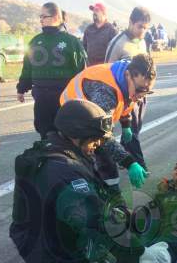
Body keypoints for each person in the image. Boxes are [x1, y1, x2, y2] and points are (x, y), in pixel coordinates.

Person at [8, 99, 116, 263]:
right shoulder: (66, 171)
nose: (97, 144)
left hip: (27, 234)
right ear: (77, 135)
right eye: (94, 139)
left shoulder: (47, 149)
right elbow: (92, 221)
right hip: (47, 247)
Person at [59, 54, 155, 191]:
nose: (141, 97)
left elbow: (125, 104)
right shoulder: (105, 92)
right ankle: (108, 192)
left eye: (147, 91)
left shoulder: (127, 78)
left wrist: (126, 125)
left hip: (92, 111)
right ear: (128, 75)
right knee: (98, 155)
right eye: (140, 90)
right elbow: (102, 135)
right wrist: (129, 162)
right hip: (73, 117)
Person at [16, 2, 87, 141]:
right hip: (42, 97)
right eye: (40, 16)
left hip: (64, 97)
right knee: (47, 135)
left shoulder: (72, 42)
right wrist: (21, 88)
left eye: (43, 16)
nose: (40, 20)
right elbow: (28, 68)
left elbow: (82, 72)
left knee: (64, 134)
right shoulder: (36, 41)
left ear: (55, 17)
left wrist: (83, 96)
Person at [105, 7, 152, 181]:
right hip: (125, 95)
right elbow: (107, 70)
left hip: (140, 94)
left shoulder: (143, 42)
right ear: (131, 22)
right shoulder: (118, 43)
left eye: (146, 28)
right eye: (140, 26)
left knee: (135, 129)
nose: (143, 31)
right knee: (132, 131)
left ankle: (121, 154)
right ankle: (138, 165)